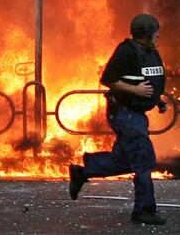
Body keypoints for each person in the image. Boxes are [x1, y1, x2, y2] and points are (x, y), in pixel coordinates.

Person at [68, 14, 167, 225]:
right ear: (145, 35)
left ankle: (83, 172)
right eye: (155, 32)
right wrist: (136, 90)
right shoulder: (126, 52)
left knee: (123, 160)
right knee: (143, 159)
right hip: (125, 113)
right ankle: (143, 210)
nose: (159, 35)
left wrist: (157, 100)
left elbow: (150, 80)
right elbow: (108, 80)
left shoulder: (150, 52)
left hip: (137, 114)